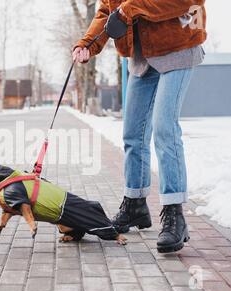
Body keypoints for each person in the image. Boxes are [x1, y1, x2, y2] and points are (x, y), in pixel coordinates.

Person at [73, 0, 206, 253]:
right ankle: (135, 204)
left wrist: (128, 9)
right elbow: (106, 10)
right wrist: (88, 43)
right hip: (141, 55)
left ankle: (174, 213)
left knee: (164, 127)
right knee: (133, 134)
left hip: (177, 45)